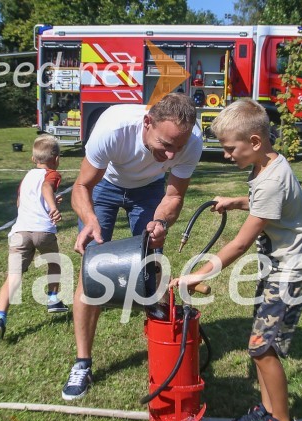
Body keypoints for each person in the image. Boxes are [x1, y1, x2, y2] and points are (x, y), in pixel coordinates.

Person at [170, 99, 302, 421]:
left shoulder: (270, 181)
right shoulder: (267, 166)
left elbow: (239, 244)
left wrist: (199, 274)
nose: (225, 155)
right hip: (276, 270)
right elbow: (263, 202)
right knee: (259, 343)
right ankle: (267, 413)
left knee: (262, 348)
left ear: (254, 141)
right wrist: (235, 201)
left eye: (229, 147)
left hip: (290, 273)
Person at [62, 93, 203, 400]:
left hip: (150, 190)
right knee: (91, 272)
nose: (169, 156)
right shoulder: (113, 128)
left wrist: (161, 224)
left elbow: (174, 196)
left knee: (151, 268)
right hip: (105, 185)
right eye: (165, 145)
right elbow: (82, 186)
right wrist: (88, 220)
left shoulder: (192, 141)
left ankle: (162, 353)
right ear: (147, 122)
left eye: (176, 149)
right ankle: (83, 362)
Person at [0, 135, 68, 345]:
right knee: (54, 263)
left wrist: (46, 202)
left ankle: (0, 318)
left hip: (19, 233)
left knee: (12, 278)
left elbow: (20, 203)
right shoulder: (52, 174)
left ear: (33, 159)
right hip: (42, 232)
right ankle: (52, 298)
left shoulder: (26, 178)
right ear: (57, 159)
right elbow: (46, 188)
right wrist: (52, 207)